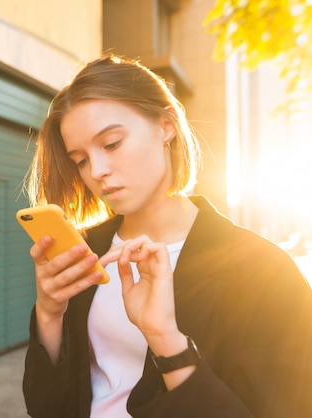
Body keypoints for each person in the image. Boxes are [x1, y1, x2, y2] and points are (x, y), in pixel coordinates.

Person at [21, 54, 312, 418]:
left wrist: (166, 342)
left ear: (166, 125)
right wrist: (49, 313)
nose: (97, 171)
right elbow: (46, 407)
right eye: (80, 159)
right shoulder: (86, 253)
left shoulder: (265, 272)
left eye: (111, 144)